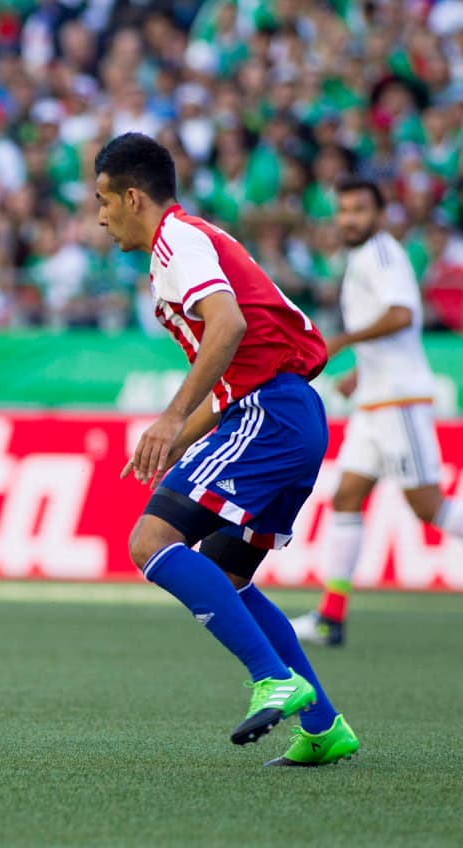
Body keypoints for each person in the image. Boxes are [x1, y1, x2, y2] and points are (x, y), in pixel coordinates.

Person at [94, 132, 359, 767]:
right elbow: (238, 352)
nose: (100, 217)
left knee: (150, 542)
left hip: (268, 413)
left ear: (135, 197)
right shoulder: (189, 241)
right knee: (228, 574)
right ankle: (324, 727)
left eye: (104, 201)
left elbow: (229, 325)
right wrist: (171, 437)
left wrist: (170, 415)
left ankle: (274, 679)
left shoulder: (177, 240)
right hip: (287, 413)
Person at [291, 177, 463, 646]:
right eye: (344, 210)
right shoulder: (363, 258)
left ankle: (331, 616)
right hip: (375, 399)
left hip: (399, 400)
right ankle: (331, 617)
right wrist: (359, 373)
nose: (350, 218)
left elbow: (402, 314)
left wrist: (344, 342)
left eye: (360, 210)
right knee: (346, 497)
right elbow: (390, 330)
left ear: (380, 215)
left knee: (430, 507)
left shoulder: (383, 254)